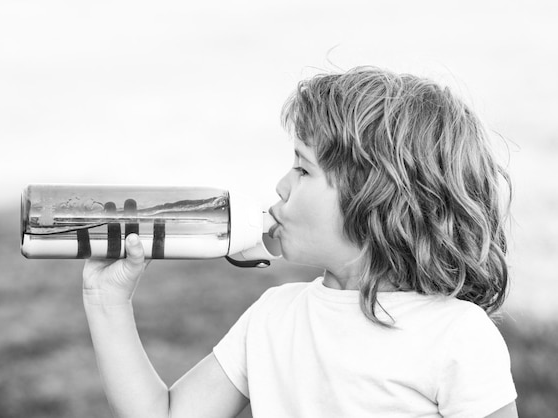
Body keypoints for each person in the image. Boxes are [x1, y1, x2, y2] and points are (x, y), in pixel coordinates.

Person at [82, 66, 518, 417]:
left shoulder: (455, 336)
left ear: (376, 203)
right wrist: (107, 301)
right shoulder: (274, 318)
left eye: (303, 170)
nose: (281, 185)